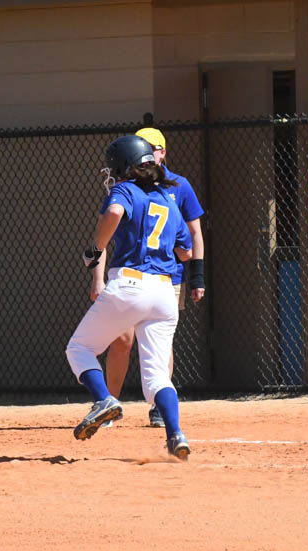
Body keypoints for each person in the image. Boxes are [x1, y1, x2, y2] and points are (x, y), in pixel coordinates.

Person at [66, 135, 193, 459]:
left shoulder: (124, 190)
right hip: (164, 292)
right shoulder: (167, 197)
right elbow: (186, 251)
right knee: (156, 377)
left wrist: (96, 249)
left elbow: (114, 212)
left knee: (79, 348)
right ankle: (175, 435)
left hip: (130, 284)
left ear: (125, 166)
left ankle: (103, 399)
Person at [100, 126, 205, 428]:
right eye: (142, 147)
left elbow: (193, 235)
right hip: (129, 272)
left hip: (166, 276)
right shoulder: (126, 186)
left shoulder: (178, 185)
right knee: (122, 339)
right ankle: (109, 404)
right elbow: (104, 231)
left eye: (152, 148)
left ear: (163, 152)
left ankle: (159, 407)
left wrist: (197, 276)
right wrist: (98, 277)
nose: (147, 153)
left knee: (160, 342)